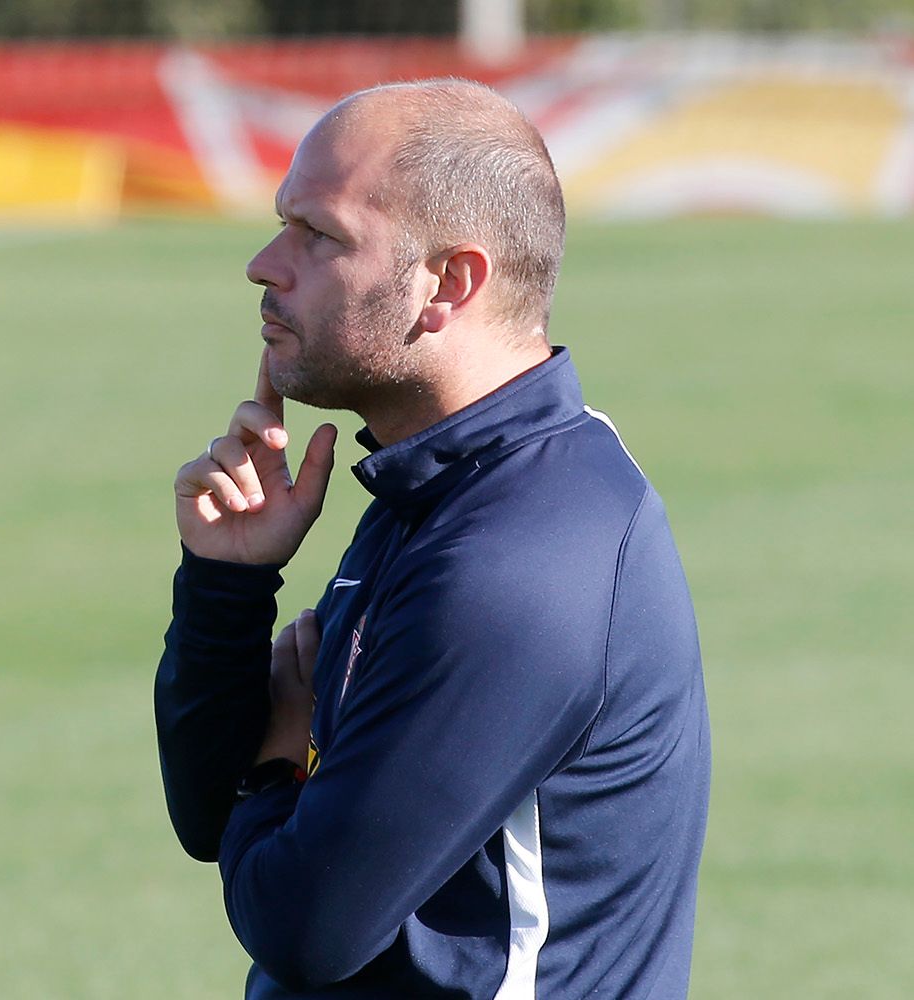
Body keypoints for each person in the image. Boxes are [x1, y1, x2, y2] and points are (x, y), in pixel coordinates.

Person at [155, 79, 710, 998]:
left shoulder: (519, 559)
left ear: (449, 283)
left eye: (318, 235)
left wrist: (276, 768)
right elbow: (211, 818)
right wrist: (228, 588)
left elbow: (304, 925)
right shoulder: (442, 486)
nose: (264, 263)